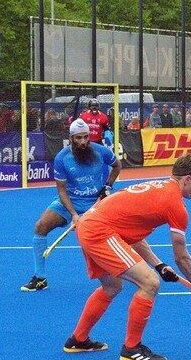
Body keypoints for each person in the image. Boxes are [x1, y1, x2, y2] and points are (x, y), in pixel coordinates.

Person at [62, 153, 191, 360]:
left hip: (89, 225)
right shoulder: (175, 204)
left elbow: (132, 236)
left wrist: (158, 264)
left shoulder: (158, 187)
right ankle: (132, 348)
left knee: (111, 287)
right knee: (149, 283)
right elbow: (181, 255)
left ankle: (78, 340)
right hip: (99, 231)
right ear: (187, 179)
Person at [21, 118, 121, 292]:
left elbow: (117, 165)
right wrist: (74, 215)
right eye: (78, 138)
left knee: (119, 233)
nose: (83, 142)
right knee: (41, 226)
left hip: (96, 203)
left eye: (85, 137)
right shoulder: (62, 158)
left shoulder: (101, 152)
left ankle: (129, 269)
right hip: (70, 201)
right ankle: (40, 278)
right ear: (71, 138)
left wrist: (107, 186)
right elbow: (61, 191)